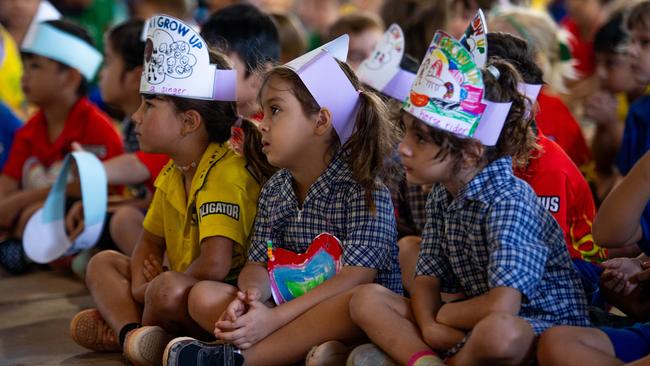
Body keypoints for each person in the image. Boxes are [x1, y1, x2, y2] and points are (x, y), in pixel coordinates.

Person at [347, 30, 589, 366]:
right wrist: (431, 324)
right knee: (366, 299)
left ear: (472, 152)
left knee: (501, 334)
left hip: (535, 328)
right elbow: (427, 276)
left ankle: (432, 352)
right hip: (465, 322)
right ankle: (429, 358)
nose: (403, 147)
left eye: (421, 139)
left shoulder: (509, 199)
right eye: (406, 132)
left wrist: (437, 319)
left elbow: (503, 306)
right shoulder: (441, 194)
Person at [163, 35, 401, 366]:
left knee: (355, 303)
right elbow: (257, 264)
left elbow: (355, 278)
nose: (262, 124)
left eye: (275, 110)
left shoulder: (363, 191)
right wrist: (251, 298)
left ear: (321, 121)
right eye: (262, 112)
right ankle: (298, 352)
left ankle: (239, 359)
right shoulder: (276, 189)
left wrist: (274, 319)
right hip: (282, 308)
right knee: (203, 295)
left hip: (343, 312)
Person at [68, 15, 273, 366]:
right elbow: (149, 240)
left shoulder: (224, 172)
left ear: (189, 122)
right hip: (175, 284)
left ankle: (136, 329)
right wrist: (137, 283)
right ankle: (134, 334)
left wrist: (149, 288)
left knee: (166, 289)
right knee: (103, 263)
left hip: (214, 294)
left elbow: (214, 265)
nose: (136, 116)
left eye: (149, 105)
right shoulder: (174, 169)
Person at [0, 20, 123, 274]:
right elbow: (8, 183)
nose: (25, 75)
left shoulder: (95, 127)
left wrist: (22, 200)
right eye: (25, 65)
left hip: (86, 220)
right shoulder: (31, 128)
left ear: (70, 77)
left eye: (35, 67)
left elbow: (95, 188)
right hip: (28, 218)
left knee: (33, 215)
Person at [200, 3, 280, 120]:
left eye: (219, 66)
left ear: (260, 74)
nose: (208, 73)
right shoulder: (200, 116)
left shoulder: (273, 132)